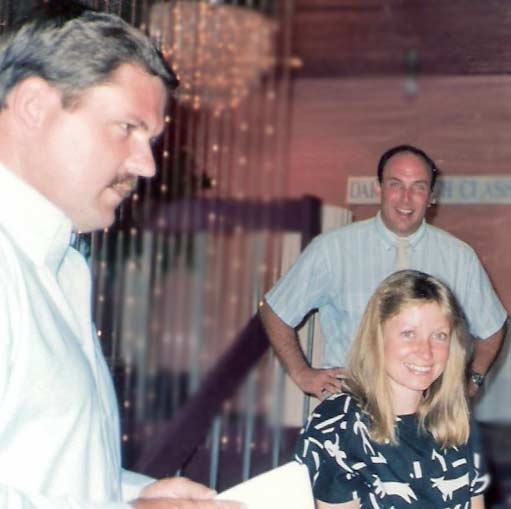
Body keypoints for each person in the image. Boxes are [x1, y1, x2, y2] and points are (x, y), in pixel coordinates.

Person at [0, 2, 240, 508]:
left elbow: (42, 466)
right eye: (127, 128)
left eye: (150, 139)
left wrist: (137, 492)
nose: (147, 166)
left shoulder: (61, 265)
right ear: (33, 107)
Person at [260, 144, 507, 400]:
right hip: (353, 410)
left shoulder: (459, 257)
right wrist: (302, 374)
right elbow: (275, 310)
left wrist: (472, 380)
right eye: (395, 184)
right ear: (378, 188)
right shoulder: (332, 249)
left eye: (418, 187)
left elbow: (492, 329)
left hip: (427, 418)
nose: (406, 198)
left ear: (432, 196)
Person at [294, 270, 490, 508]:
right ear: (377, 338)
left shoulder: (457, 419)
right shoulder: (338, 424)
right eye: (408, 334)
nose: (425, 351)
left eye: (439, 336)